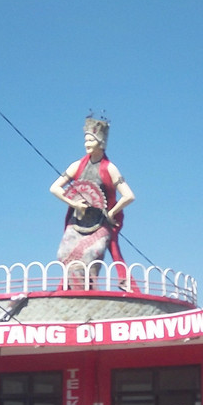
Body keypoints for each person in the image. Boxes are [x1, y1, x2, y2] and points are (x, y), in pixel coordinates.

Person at [49, 115, 136, 290]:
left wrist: (111, 213)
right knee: (64, 253)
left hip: (99, 223)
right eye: (85, 140)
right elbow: (54, 188)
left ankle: (89, 290)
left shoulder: (109, 169)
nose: (86, 143)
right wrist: (73, 204)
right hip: (77, 222)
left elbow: (129, 196)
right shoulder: (77, 166)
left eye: (90, 140)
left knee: (90, 255)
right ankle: (71, 289)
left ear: (101, 142)